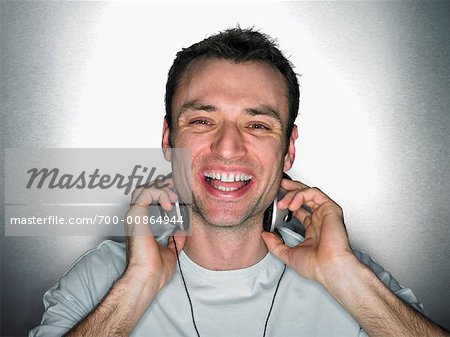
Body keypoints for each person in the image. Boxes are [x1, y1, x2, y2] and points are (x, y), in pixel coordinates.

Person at [30, 27, 449, 337]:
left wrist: (346, 278)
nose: (228, 147)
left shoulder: (354, 279)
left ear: (288, 150)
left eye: (257, 124)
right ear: (167, 139)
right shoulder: (101, 277)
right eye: (202, 120)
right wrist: (136, 287)